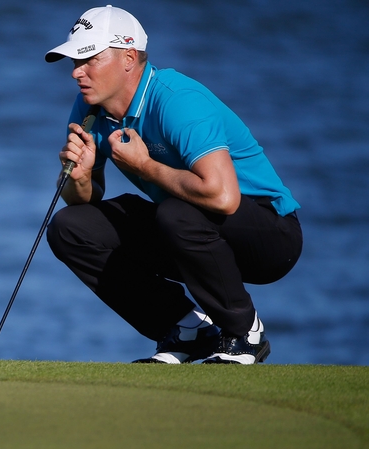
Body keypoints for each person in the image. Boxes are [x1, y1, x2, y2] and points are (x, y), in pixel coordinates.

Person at [44, 5, 303, 364]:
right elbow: (82, 200)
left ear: (129, 58)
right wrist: (81, 178)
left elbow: (223, 197)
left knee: (176, 213)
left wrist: (144, 166)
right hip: (188, 230)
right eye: (75, 61)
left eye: (89, 59)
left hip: (270, 236)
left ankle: (245, 332)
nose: (77, 72)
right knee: (69, 228)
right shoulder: (89, 109)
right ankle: (186, 329)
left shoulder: (178, 100)